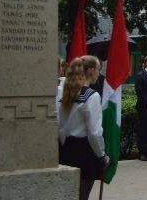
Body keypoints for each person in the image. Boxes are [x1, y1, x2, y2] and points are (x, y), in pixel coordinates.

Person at [58, 55, 108, 200]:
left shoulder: (66, 92)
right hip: (84, 152)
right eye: (98, 69)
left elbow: (60, 124)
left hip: (65, 149)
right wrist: (102, 155)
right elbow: (94, 132)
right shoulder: (92, 96)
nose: (99, 73)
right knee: (82, 196)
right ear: (91, 70)